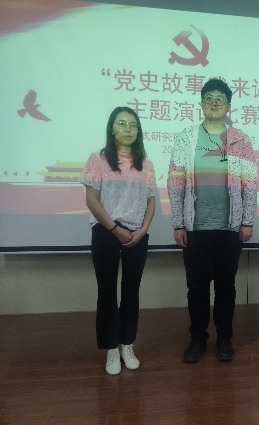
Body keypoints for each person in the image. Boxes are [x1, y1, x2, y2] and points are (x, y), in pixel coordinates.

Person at [168, 78, 257, 363]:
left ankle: (224, 338)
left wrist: (247, 220)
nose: (215, 102)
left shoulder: (240, 140)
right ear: (201, 104)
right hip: (195, 227)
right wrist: (178, 223)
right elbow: (175, 182)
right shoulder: (186, 137)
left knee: (226, 287)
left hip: (230, 226)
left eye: (220, 98)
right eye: (209, 98)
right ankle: (197, 338)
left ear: (229, 106)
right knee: (196, 288)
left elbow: (249, 183)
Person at [80, 106, 157, 375]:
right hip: (106, 232)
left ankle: (127, 344)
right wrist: (114, 228)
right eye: (122, 124)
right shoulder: (98, 159)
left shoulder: (146, 164)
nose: (128, 129)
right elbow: (92, 200)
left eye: (133, 125)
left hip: (137, 234)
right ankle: (111, 348)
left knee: (131, 290)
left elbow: (151, 201)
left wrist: (143, 230)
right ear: (112, 128)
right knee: (107, 290)